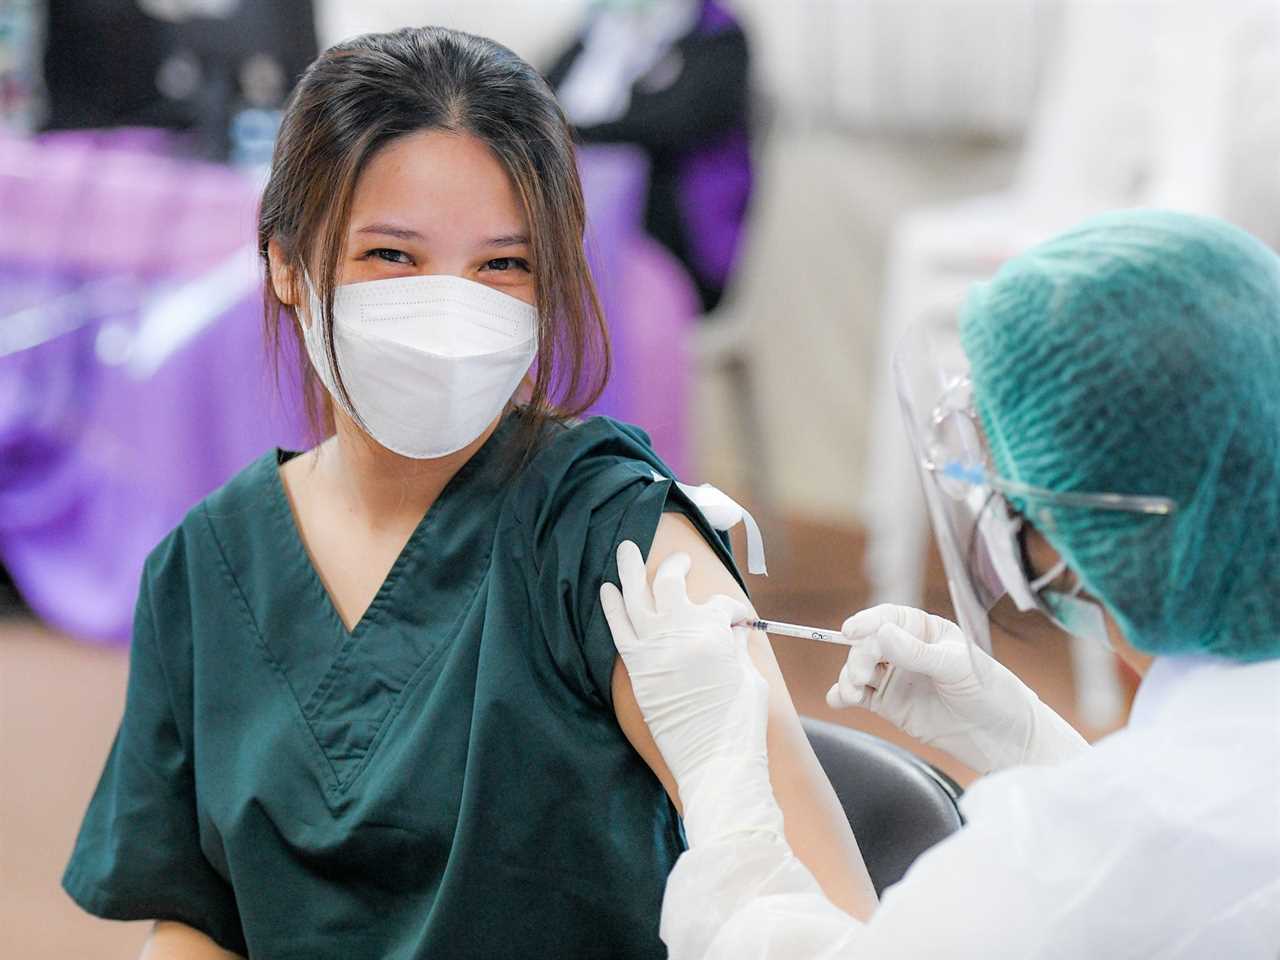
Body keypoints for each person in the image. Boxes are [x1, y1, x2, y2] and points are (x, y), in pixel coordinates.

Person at [60, 26, 870, 959]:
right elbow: (198, 924)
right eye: (393, 257)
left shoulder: (618, 546)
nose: (451, 307)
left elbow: (830, 915)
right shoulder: (209, 565)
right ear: (286, 261)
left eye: (503, 266)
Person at [601, 209, 1280, 958]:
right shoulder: (1157, 814)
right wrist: (1019, 739)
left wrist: (720, 781)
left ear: (1072, 526)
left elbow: (1118, 859)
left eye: (999, 471)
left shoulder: (1053, 862)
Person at [545, 0, 753, 313]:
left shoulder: (717, 34)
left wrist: (576, 131)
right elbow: (537, 94)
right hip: (581, 206)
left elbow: (676, 122)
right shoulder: (603, 28)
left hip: (679, 228)